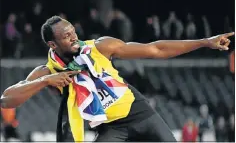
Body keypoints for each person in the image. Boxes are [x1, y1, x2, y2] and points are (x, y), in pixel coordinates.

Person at [0, 16, 234, 142]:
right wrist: (44, 82)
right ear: (52, 44)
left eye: (73, 30)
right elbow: (6, 99)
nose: (73, 37)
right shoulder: (47, 72)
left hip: (139, 111)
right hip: (110, 127)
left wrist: (204, 42)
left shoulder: (100, 46)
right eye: (66, 36)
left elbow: (156, 49)